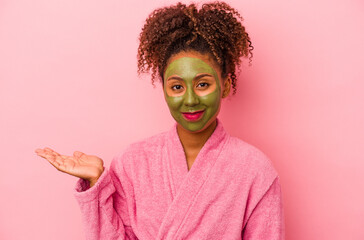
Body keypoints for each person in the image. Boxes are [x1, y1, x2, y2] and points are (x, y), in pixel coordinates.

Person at [35, 1, 285, 239]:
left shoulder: (255, 170)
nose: (189, 99)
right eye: (177, 87)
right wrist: (96, 187)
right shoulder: (131, 163)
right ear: (164, 89)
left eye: (202, 84)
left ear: (226, 85)